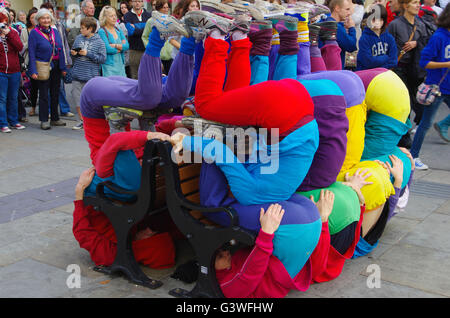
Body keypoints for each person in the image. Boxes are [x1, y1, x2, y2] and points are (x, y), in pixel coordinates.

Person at [410, 5, 450, 169]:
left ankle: (443, 125)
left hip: (447, 86)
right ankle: (413, 156)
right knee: (425, 124)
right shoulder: (439, 37)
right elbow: (424, 62)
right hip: (437, 88)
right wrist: (447, 64)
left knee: (426, 123)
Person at [387, 0, 430, 131]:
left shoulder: (420, 24)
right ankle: (403, 132)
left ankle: (417, 123)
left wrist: (416, 43)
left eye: (418, 3)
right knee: (404, 101)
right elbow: (388, 45)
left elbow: (426, 41)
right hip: (400, 67)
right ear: (405, 6)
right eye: (415, 2)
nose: (418, 5)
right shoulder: (395, 25)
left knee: (418, 99)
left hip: (415, 67)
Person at [27, 8, 67, 130]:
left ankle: (55, 118)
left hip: (55, 66)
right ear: (38, 20)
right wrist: (33, 70)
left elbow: (60, 49)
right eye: (43, 18)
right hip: (42, 66)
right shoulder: (34, 33)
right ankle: (44, 120)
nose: (46, 20)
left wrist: (63, 67)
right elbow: (32, 53)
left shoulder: (54, 31)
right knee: (44, 94)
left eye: (48, 18)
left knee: (55, 93)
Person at [71, 17, 106, 130]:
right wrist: (73, 53)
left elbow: (102, 59)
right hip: (77, 74)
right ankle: (81, 120)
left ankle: (91, 121)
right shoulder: (78, 38)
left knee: (91, 100)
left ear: (90, 29)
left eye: (83, 28)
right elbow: (73, 53)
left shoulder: (99, 42)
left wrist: (88, 54)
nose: (80, 30)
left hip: (91, 76)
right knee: (77, 99)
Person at [40, 2, 74, 118]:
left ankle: (64, 109)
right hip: (45, 63)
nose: (49, 14)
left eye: (51, 12)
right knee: (47, 89)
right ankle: (49, 111)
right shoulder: (38, 30)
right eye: (46, 12)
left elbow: (64, 44)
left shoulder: (58, 26)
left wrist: (67, 60)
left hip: (59, 60)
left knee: (60, 87)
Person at [0, 7, 25, 133]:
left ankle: (14, 120)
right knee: (2, 98)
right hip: (1, 72)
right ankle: (3, 123)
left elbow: (20, 47)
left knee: (13, 97)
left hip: (14, 71)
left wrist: (8, 34)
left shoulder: (13, 32)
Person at [356, 4, 398, 70]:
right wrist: (386, 57)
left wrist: (380, 67)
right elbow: (368, 62)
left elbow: (393, 61)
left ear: (384, 21)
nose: (377, 23)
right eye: (374, 19)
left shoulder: (389, 38)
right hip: (368, 75)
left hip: (384, 74)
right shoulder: (364, 39)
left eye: (380, 20)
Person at [323, 0, 357, 68]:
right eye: (347, 9)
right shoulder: (335, 26)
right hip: (334, 69)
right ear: (337, 8)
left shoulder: (327, 21)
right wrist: (352, 28)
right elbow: (351, 46)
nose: (349, 13)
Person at [123, 0, 152, 79]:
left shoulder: (148, 15)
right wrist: (145, 26)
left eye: (139, 1)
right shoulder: (127, 16)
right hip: (134, 51)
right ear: (131, 2)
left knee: (148, 75)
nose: (137, 3)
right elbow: (131, 32)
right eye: (135, 1)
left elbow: (151, 31)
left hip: (147, 50)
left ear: (142, 2)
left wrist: (136, 27)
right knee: (135, 76)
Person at [98, 6, 129, 77]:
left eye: (115, 15)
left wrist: (115, 46)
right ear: (105, 17)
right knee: (110, 87)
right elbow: (107, 49)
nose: (114, 18)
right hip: (109, 67)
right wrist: (121, 48)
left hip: (121, 64)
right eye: (111, 16)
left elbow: (126, 46)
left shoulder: (118, 30)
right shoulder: (102, 31)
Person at [20, 7, 39, 118]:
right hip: (30, 61)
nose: (34, 19)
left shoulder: (44, 29)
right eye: (32, 17)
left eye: (36, 17)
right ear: (29, 19)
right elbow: (21, 48)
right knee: (33, 87)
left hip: (41, 61)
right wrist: (31, 40)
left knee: (43, 86)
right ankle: (32, 107)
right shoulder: (24, 31)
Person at [117, 1, 131, 78]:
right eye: (122, 8)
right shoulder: (119, 20)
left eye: (125, 7)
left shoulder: (131, 17)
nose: (123, 9)